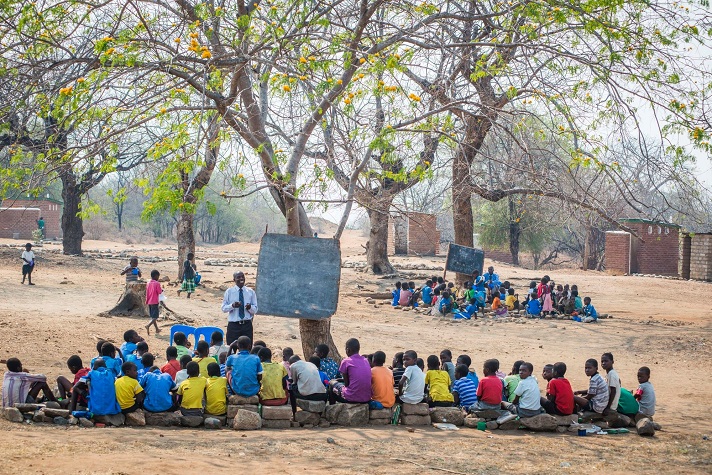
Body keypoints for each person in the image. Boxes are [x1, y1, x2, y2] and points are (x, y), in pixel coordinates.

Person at [330, 338, 371, 404]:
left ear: (348, 350)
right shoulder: (365, 360)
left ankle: (331, 409)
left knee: (331, 383)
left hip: (351, 398)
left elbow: (347, 384)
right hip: (366, 398)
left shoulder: (346, 361)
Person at [222, 271, 258, 345]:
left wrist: (249, 307)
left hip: (246, 325)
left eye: (242, 276)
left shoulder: (250, 292)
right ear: (234, 279)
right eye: (238, 277)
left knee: (247, 348)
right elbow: (223, 308)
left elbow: (255, 309)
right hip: (233, 325)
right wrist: (232, 306)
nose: (241, 278)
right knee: (231, 348)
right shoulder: (229, 292)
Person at [145, 270, 163, 334]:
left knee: (153, 316)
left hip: (149, 301)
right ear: (156, 276)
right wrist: (162, 290)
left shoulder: (148, 283)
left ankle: (157, 329)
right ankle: (148, 325)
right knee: (155, 317)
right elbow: (159, 292)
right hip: (155, 301)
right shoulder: (157, 283)